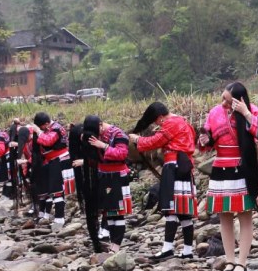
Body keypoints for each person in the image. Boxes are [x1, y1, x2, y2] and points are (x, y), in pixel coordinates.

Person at [202, 82, 258, 271]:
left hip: (242, 167)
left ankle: (242, 262)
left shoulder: (252, 111)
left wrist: (245, 113)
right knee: (224, 216)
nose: (223, 103)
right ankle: (229, 261)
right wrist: (204, 140)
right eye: (223, 98)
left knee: (245, 215)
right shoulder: (214, 113)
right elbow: (207, 139)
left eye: (228, 100)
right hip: (220, 167)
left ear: (239, 100)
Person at [130, 102, 198, 259]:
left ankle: (168, 248)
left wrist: (138, 140)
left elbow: (152, 142)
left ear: (160, 117)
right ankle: (187, 250)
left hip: (173, 166)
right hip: (185, 167)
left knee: (171, 209)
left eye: (156, 121)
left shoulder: (170, 123)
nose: (156, 124)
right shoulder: (182, 121)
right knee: (184, 212)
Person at [84, 116, 133, 251]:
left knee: (118, 212)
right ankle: (113, 244)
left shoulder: (118, 134)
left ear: (101, 125)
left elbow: (122, 154)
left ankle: (116, 245)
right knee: (109, 213)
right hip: (103, 176)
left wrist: (104, 146)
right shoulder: (96, 136)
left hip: (117, 175)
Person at [33, 112, 73, 226]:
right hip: (52, 161)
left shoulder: (56, 129)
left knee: (57, 190)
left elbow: (48, 141)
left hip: (59, 160)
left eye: (42, 127)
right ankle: (58, 217)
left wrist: (38, 132)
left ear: (46, 124)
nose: (42, 129)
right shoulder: (50, 128)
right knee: (55, 190)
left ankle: (60, 218)